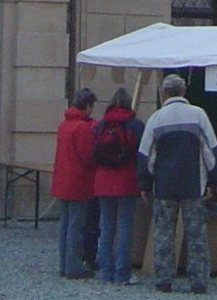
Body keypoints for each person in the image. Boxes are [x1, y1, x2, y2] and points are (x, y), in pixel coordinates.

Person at [137, 74, 217, 295]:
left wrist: (145, 185)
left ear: (164, 93)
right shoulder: (198, 115)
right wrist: (214, 182)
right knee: (196, 234)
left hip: (164, 186)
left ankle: (164, 279)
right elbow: (211, 152)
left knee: (163, 233)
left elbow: (145, 155)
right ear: (184, 92)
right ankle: (198, 281)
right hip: (194, 185)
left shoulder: (156, 119)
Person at [92, 86, 146, 284]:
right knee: (125, 228)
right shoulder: (135, 125)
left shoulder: (100, 126)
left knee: (106, 227)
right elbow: (143, 155)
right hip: (127, 182)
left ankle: (105, 272)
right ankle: (122, 273)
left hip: (103, 182)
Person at [51, 87, 97, 278]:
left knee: (66, 224)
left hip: (62, 180)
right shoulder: (83, 127)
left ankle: (64, 265)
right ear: (87, 106)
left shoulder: (64, 125)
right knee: (76, 227)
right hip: (78, 181)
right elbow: (88, 157)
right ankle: (74, 267)